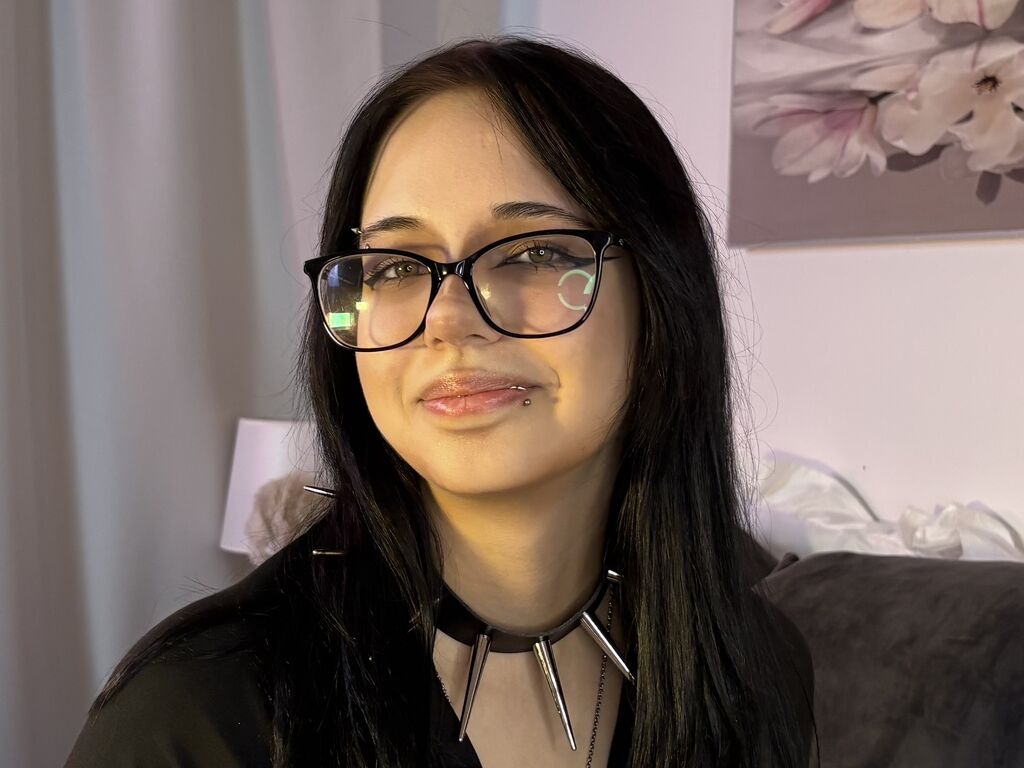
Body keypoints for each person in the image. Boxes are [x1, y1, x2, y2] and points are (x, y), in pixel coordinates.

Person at [65, 35, 815, 767]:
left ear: (661, 290)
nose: (448, 321)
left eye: (533, 252)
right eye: (395, 267)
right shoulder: (193, 717)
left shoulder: (758, 674)